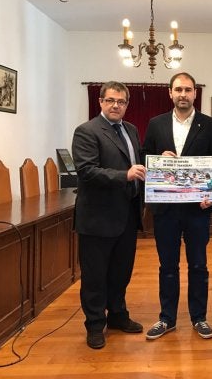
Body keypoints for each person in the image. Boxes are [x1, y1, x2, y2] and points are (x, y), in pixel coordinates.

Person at [142, 72, 212, 340]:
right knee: (167, 266)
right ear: (170, 93)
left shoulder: (211, 126)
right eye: (178, 89)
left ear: (195, 93)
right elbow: (144, 156)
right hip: (165, 208)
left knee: (198, 265)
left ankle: (199, 317)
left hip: (198, 208)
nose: (183, 94)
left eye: (188, 89)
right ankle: (167, 318)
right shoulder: (156, 124)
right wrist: (157, 158)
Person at [72, 81, 146, 349]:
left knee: (120, 272)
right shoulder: (87, 131)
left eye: (121, 101)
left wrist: (159, 159)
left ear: (127, 104)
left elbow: (137, 161)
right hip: (98, 217)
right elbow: (87, 171)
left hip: (127, 214)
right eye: (111, 100)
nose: (116, 105)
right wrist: (124, 175)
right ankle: (94, 324)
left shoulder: (131, 129)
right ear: (101, 101)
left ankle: (117, 315)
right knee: (95, 276)